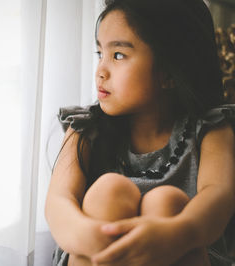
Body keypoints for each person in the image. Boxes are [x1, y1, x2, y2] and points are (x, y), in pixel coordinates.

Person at [44, 0, 235, 265]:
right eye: (100, 53)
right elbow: (58, 203)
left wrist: (176, 234)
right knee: (109, 191)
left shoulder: (211, 129)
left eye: (118, 55)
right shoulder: (85, 130)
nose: (101, 71)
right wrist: (92, 234)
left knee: (168, 203)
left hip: (184, 252)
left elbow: (219, 200)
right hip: (96, 254)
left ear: (169, 72)